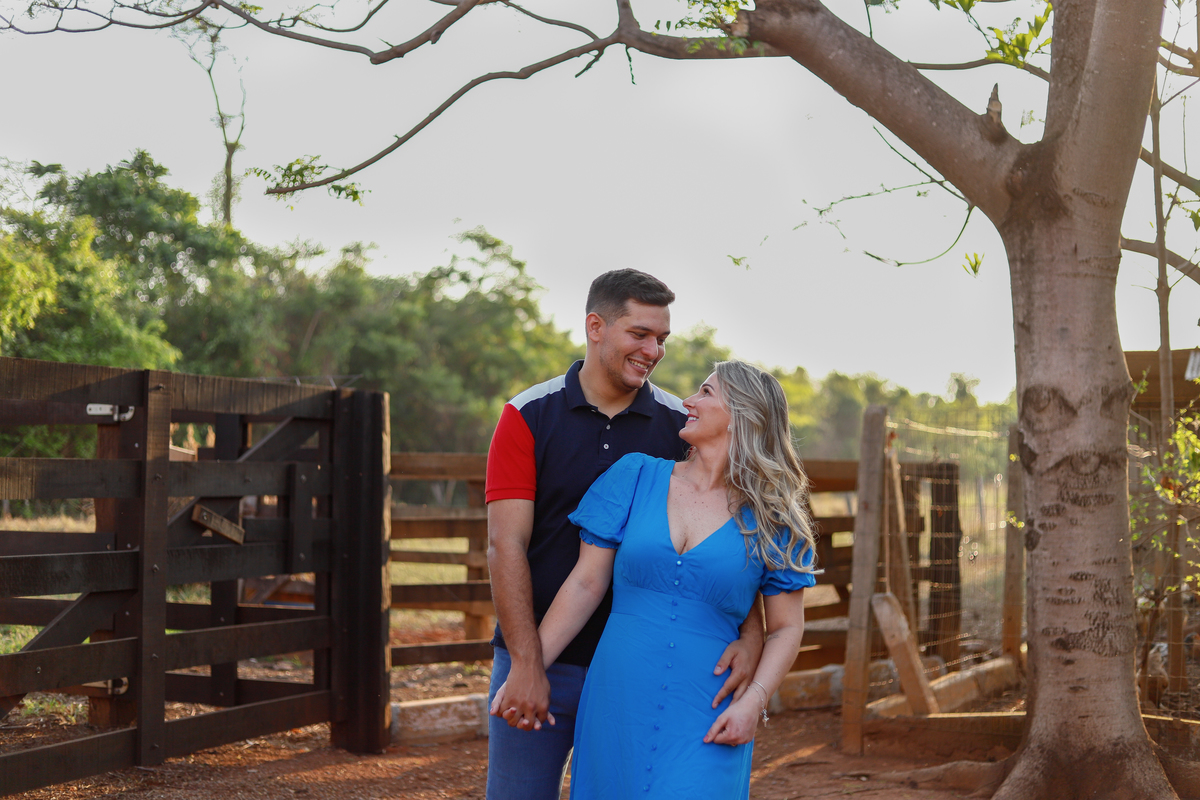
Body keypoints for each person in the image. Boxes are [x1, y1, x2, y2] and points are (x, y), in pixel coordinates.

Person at [484, 271, 766, 800]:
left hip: (639, 666)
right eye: (640, 334)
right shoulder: (527, 415)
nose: (653, 350)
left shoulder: (678, 425)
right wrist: (526, 663)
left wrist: (752, 634)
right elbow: (506, 545)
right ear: (596, 327)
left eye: (662, 338)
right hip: (540, 652)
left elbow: (720, 537)